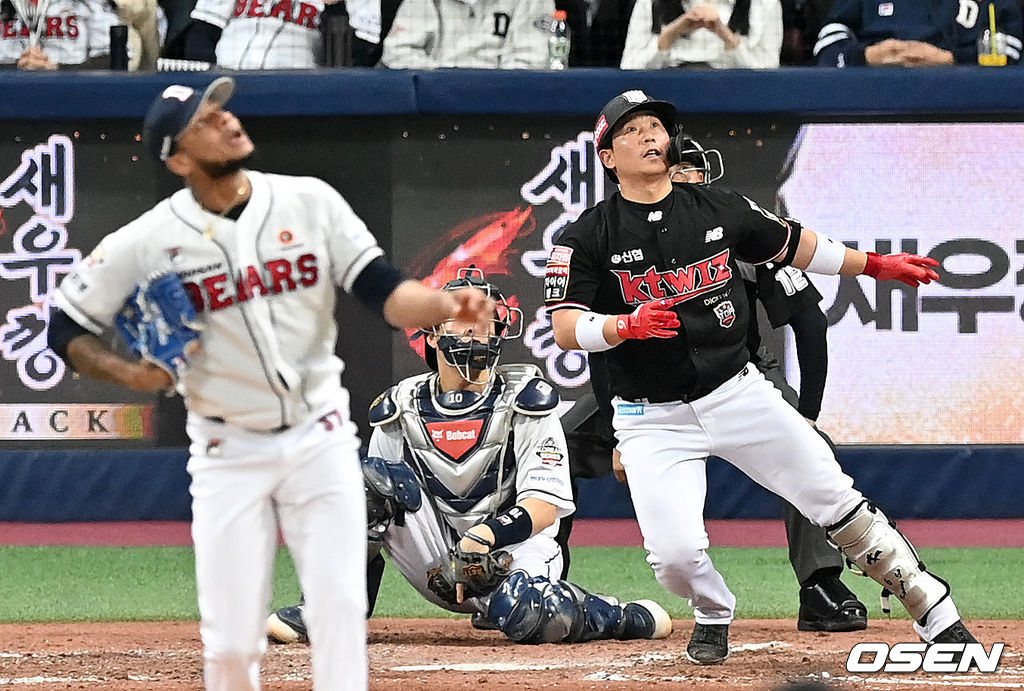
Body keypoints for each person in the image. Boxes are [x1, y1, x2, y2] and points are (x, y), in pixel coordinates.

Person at [46, 77, 494, 691]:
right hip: (228, 450)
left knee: (338, 614)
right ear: (177, 158)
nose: (227, 121)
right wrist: (132, 374)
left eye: (222, 108)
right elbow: (65, 326)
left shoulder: (309, 201)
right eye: (205, 120)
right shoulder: (148, 239)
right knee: (231, 642)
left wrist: (443, 305)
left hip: (321, 439)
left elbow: (386, 293)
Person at [544, 89, 978, 666]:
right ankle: (714, 608)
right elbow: (568, 328)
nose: (651, 136)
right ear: (607, 156)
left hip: (737, 392)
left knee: (833, 497)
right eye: (633, 130)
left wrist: (876, 266)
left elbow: (798, 245)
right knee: (673, 558)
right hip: (652, 416)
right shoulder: (586, 235)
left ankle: (933, 608)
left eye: (657, 126)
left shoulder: (719, 208)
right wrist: (624, 326)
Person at [266, 270, 674, 647]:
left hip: (511, 550)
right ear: (431, 334)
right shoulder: (400, 406)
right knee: (364, 484)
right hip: (438, 564)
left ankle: (621, 617)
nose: (478, 330)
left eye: (487, 322)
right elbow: (373, 495)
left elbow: (545, 506)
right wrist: (454, 551)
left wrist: (486, 537)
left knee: (527, 611)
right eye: (464, 319)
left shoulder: (527, 399)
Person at [813, 0, 1022, 66]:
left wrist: (950, 58)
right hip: (872, 98)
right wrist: (867, 56)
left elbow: (1013, 50)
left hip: (961, 102)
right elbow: (828, 48)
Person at [380, 0, 554, 69]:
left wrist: (486, 90)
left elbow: (531, 60)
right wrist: (441, 78)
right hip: (437, 102)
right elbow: (397, 51)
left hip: (504, 105)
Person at [620, 0, 783, 69]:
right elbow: (629, 66)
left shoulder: (764, 5)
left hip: (738, 95)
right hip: (665, 97)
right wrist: (669, 35)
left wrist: (727, 37)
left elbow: (770, 69)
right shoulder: (651, 3)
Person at [0, 0, 122, 69]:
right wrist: (16, 69)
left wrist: (57, 69)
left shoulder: (91, 3)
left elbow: (113, 59)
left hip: (74, 94)